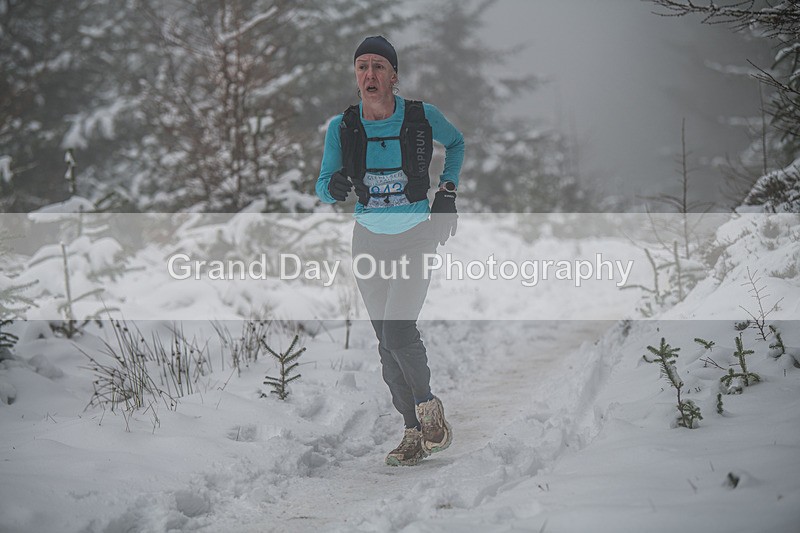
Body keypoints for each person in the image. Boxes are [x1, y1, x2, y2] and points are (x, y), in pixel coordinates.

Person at [316, 36, 465, 466]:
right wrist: (335, 188)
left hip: (416, 235)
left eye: (379, 66)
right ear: (356, 75)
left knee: (398, 330)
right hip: (368, 240)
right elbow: (323, 184)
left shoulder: (421, 117)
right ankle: (413, 432)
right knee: (385, 342)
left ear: (393, 76)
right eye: (362, 66)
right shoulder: (343, 127)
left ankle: (429, 408)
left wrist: (448, 191)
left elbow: (456, 144)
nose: (370, 74)